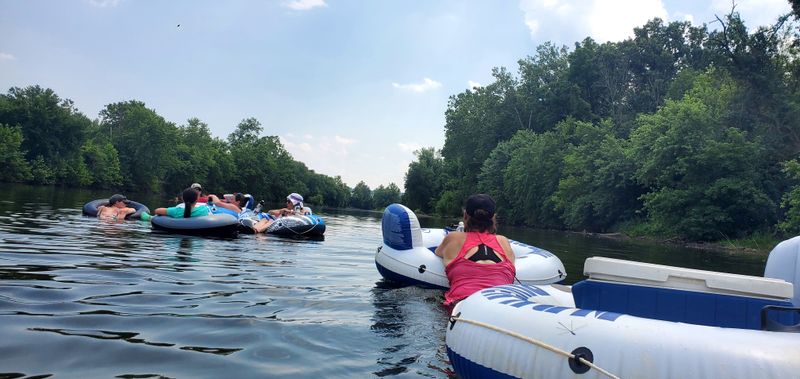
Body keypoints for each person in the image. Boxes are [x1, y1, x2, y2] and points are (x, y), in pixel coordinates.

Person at [434, 194, 516, 306]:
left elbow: (437, 253)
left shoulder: (454, 238)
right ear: (493, 218)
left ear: (465, 216)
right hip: (504, 304)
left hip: (463, 303)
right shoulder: (503, 241)